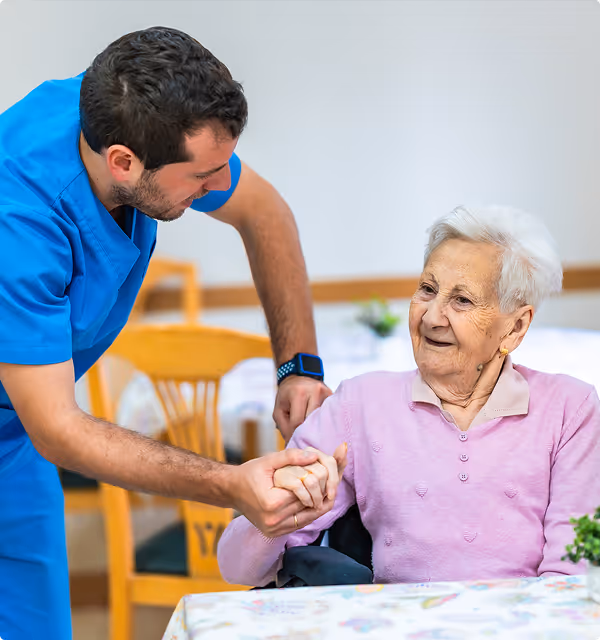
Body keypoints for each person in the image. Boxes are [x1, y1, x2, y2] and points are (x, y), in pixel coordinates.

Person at [0, 27, 344, 639]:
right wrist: (227, 484)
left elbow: (264, 213)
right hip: (37, 422)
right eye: (202, 177)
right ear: (124, 162)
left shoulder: (125, 107)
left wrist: (298, 366)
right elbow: (58, 427)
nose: (220, 187)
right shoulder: (20, 226)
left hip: (14, 436)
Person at [218, 205, 600, 586]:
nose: (432, 317)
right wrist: (287, 512)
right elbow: (236, 568)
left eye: (462, 300)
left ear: (515, 328)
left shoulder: (571, 410)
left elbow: (573, 578)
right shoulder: (361, 405)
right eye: (428, 290)